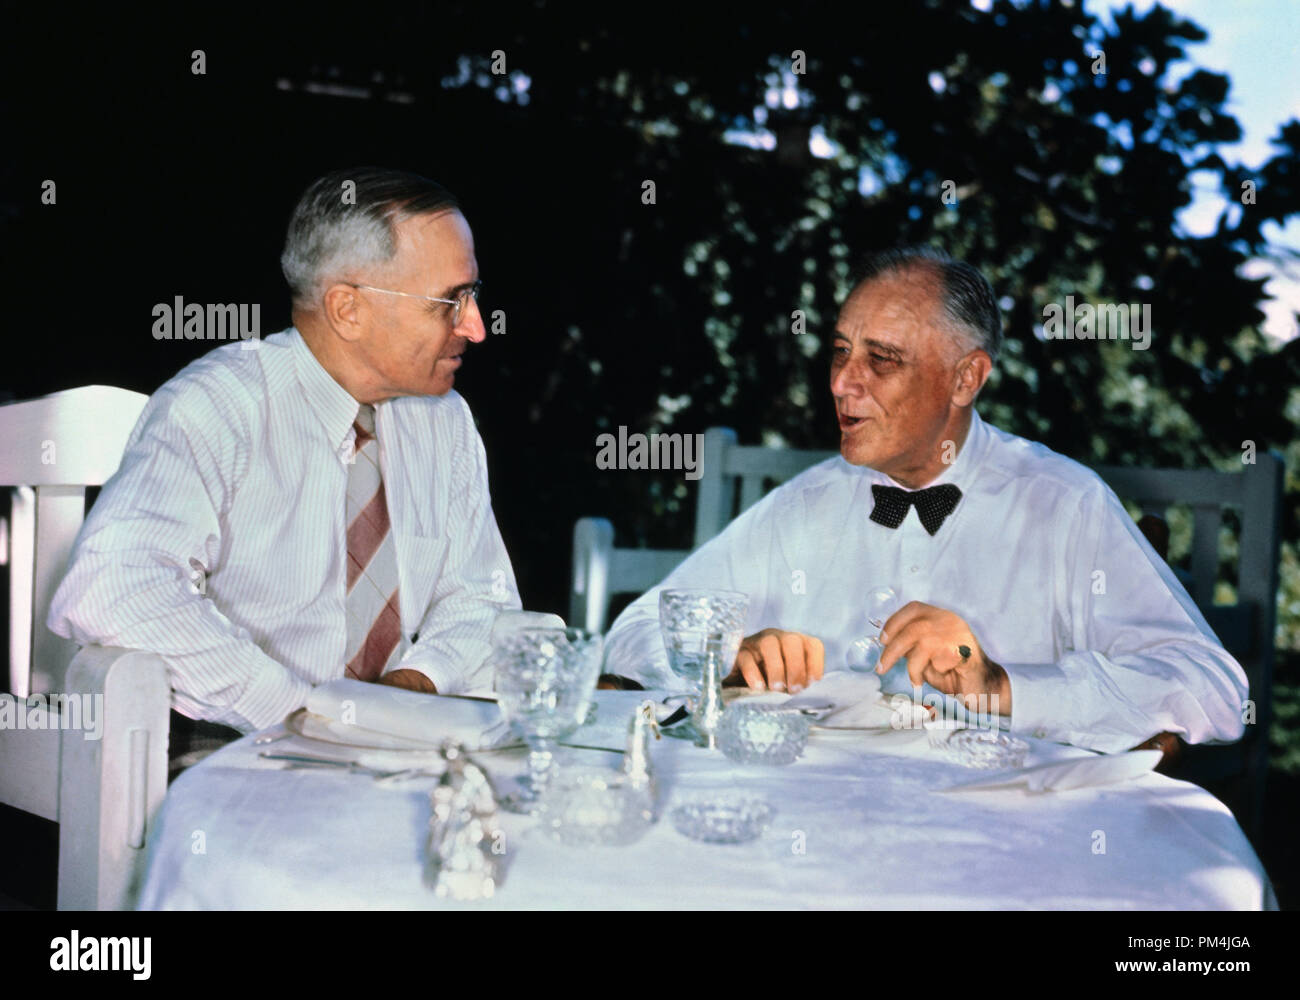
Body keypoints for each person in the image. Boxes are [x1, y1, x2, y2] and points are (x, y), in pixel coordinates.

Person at [601, 247, 1248, 753]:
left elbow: (1211, 688)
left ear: (966, 378)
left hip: (1002, 849)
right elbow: (633, 633)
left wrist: (1004, 686)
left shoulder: (1064, 504)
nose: (842, 384)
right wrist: (725, 656)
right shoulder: (804, 505)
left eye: (881, 360)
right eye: (839, 353)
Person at [48, 168, 521, 763]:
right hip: (233, 746)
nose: (475, 327)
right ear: (348, 310)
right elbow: (114, 589)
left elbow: (484, 599)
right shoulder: (219, 406)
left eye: (474, 296)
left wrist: (411, 688)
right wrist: (301, 713)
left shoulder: (444, 422)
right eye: (450, 301)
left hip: (397, 745)